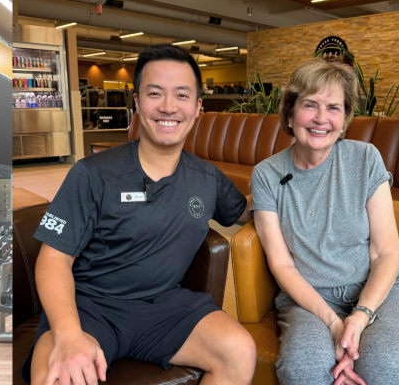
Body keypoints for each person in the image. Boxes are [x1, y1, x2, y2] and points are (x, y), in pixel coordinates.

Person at [22, 44, 256, 385]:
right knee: (58, 378)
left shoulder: (207, 178)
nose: (168, 107)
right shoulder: (93, 173)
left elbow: (246, 212)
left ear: (197, 108)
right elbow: (54, 259)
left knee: (239, 351)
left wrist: (289, 187)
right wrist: (69, 336)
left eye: (181, 95)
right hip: (90, 306)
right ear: (136, 101)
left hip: (165, 306)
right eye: (155, 93)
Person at [250, 58, 399, 385]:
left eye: (333, 108)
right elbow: (282, 264)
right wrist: (334, 324)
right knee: (303, 369)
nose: (321, 118)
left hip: (381, 288)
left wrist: (360, 317)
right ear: (290, 113)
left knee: (385, 368)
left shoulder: (365, 158)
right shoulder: (266, 175)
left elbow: (386, 252)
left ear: (344, 119)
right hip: (310, 296)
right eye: (310, 105)